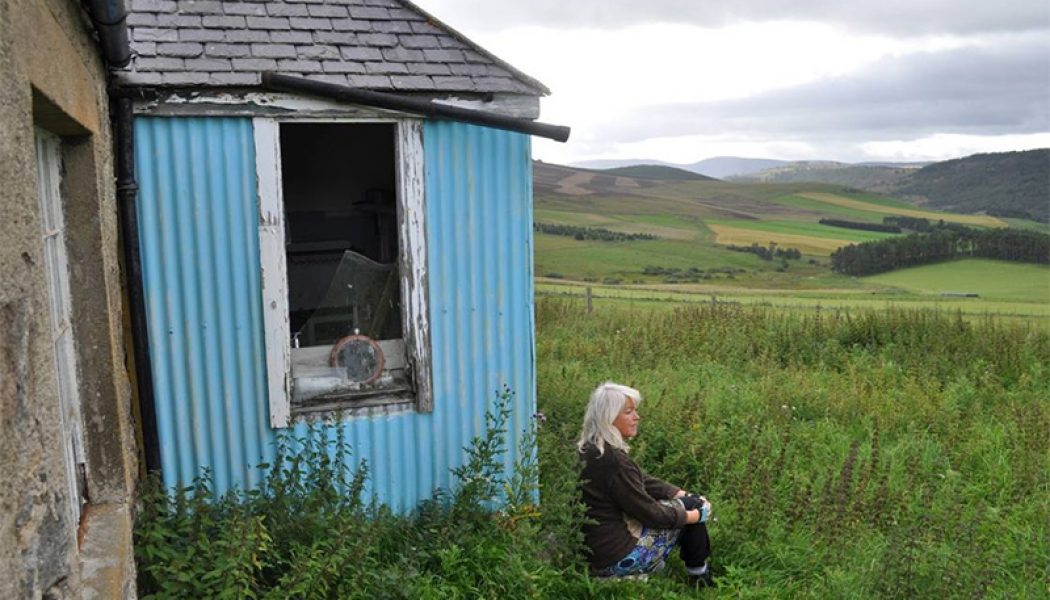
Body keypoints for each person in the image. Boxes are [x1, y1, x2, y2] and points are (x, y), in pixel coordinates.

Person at [577, 381, 714, 585]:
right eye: (628, 412)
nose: (636, 417)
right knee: (692, 509)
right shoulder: (615, 461)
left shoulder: (591, 449)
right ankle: (699, 578)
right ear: (610, 417)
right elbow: (650, 514)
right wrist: (693, 515)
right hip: (615, 557)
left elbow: (640, 480)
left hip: (594, 548)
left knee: (687, 503)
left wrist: (679, 493)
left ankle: (694, 571)